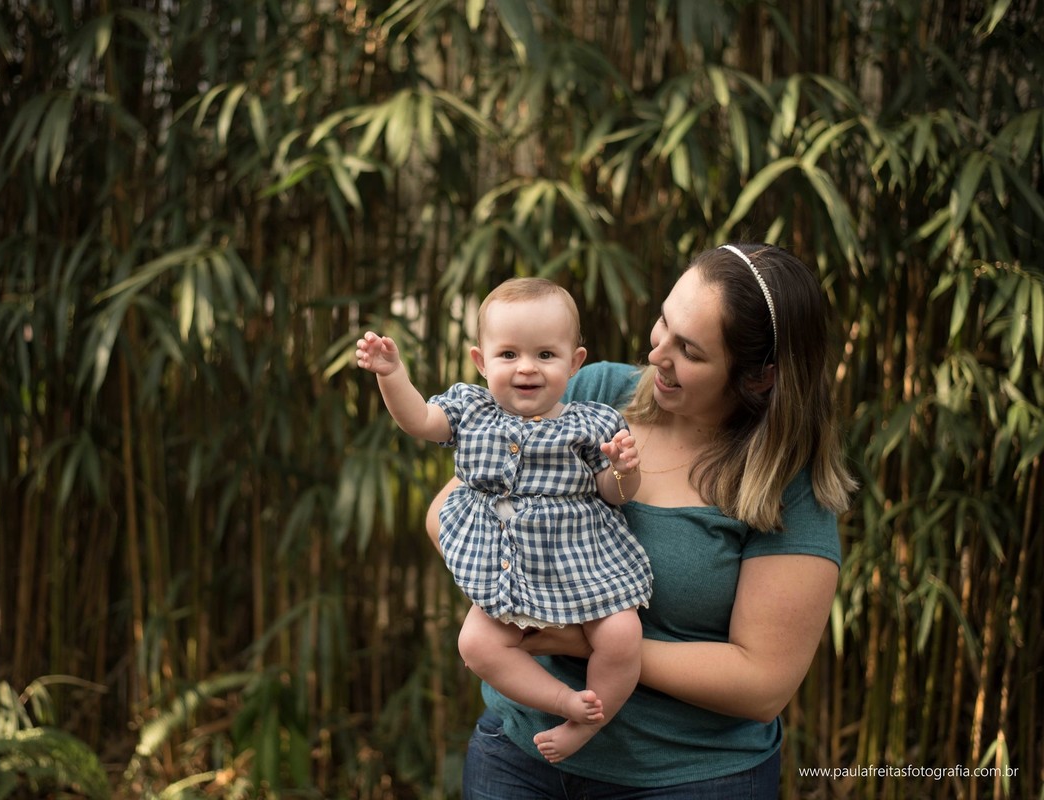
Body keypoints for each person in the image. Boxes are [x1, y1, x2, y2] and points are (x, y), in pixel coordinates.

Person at [428, 244, 857, 798]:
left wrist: (585, 637)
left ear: (758, 377)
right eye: (663, 323)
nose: (657, 354)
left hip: (690, 776)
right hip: (519, 755)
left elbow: (762, 684)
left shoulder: (785, 484)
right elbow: (448, 512)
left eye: (690, 351)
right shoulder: (593, 394)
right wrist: (516, 593)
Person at [356, 277, 654, 762]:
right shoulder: (471, 409)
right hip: (508, 567)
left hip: (582, 560)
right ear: (481, 361)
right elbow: (420, 421)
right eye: (509, 354)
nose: (526, 369)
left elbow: (613, 496)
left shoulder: (593, 422)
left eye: (545, 355)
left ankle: (589, 725)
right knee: (475, 643)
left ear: (574, 362)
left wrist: (625, 471)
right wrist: (392, 375)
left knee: (622, 636)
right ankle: (566, 703)